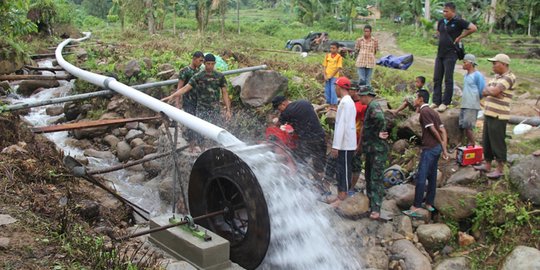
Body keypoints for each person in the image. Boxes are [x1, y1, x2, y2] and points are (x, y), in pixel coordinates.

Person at [162, 54, 233, 144]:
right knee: (200, 133)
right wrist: (172, 96)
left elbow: (225, 93)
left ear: (214, 64)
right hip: (201, 109)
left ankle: (214, 150)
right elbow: (185, 88)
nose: (210, 66)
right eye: (208, 64)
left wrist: (228, 110)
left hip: (215, 109)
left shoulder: (219, 76)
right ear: (204, 63)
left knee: (216, 131)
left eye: (212, 64)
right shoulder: (199, 76)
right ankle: (202, 149)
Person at [404, 90, 449, 218]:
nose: (414, 100)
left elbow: (433, 130)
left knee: (421, 177)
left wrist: (441, 144)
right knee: (432, 175)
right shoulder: (433, 112)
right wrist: (443, 148)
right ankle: (429, 203)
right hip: (436, 149)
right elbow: (443, 130)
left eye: (416, 97)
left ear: (421, 99)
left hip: (429, 148)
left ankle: (416, 206)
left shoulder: (424, 112)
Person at [473, 54, 516, 179]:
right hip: (489, 112)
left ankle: (499, 168)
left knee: (497, 141)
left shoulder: (509, 77)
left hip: (499, 115)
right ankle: (487, 164)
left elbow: (492, 91)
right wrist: (495, 92)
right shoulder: (496, 77)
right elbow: (484, 91)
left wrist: (493, 92)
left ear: (503, 64)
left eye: (495, 63)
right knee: (486, 140)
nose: (493, 66)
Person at [432, 2, 477, 112]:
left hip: (451, 54)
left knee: (448, 78)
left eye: (447, 11)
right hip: (440, 53)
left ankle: (445, 102)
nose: (444, 13)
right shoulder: (441, 22)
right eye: (444, 11)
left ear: (453, 11)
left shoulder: (458, 21)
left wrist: (460, 37)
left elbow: (473, 28)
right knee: (437, 78)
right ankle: (436, 101)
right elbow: (438, 32)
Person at [272, 95, 327, 181]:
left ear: (283, 104)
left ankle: (303, 184)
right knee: (319, 166)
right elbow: (314, 116)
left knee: (299, 161)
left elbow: (278, 125)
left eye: (279, 109)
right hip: (320, 137)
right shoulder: (304, 103)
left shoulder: (286, 112)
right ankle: (322, 188)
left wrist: (275, 120)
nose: (280, 111)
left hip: (307, 141)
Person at [359, 86, 388, 220]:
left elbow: (381, 119)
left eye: (361, 96)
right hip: (371, 149)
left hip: (377, 150)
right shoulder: (370, 107)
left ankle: (376, 208)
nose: (360, 99)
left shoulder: (374, 106)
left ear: (366, 96)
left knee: (376, 178)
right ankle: (370, 201)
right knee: (369, 175)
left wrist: (378, 133)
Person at [330, 77, 357, 201]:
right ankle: (341, 192)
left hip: (345, 143)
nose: (334, 88)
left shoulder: (345, 103)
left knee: (345, 168)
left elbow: (341, 125)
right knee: (342, 167)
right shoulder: (347, 101)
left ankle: (343, 194)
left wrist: (336, 146)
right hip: (346, 142)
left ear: (339, 87)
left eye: (335, 86)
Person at [175, 51, 204, 151]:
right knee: (191, 123)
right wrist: (177, 103)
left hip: (199, 102)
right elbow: (179, 88)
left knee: (199, 123)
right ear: (194, 59)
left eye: (202, 61)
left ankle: (200, 145)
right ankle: (192, 146)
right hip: (188, 101)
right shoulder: (185, 71)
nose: (201, 63)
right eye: (200, 60)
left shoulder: (199, 71)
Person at [460, 54, 485, 146]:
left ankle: (472, 143)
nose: (463, 64)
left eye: (464, 62)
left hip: (471, 104)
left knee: (468, 126)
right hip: (465, 103)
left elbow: (482, 90)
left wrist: (476, 100)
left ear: (470, 63)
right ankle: (466, 143)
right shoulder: (466, 76)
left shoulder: (477, 75)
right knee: (463, 125)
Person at [349, 83, 367, 192]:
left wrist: (360, 144)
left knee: (355, 164)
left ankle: (351, 188)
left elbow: (363, 125)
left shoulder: (362, 105)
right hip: (348, 139)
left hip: (356, 139)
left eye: (349, 89)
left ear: (355, 91)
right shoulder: (348, 101)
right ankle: (346, 185)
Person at [322, 42, 343, 110]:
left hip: (334, 76)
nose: (332, 49)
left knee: (333, 90)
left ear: (337, 49)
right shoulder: (327, 56)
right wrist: (325, 75)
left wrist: (331, 76)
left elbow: (338, 68)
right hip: (327, 76)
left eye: (333, 48)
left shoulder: (339, 57)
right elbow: (324, 66)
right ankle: (328, 104)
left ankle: (334, 104)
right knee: (327, 89)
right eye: (331, 48)